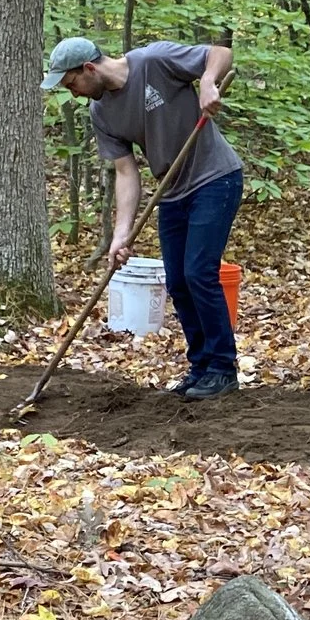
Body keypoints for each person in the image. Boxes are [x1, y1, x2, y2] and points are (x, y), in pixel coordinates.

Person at [44, 33, 243, 400]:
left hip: (215, 178)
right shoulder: (101, 112)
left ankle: (222, 368)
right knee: (179, 282)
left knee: (199, 272)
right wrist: (121, 234)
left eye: (73, 84)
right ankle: (201, 368)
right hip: (172, 191)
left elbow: (221, 53)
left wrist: (208, 82)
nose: (74, 93)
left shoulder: (154, 61)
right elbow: (125, 171)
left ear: (89, 68)